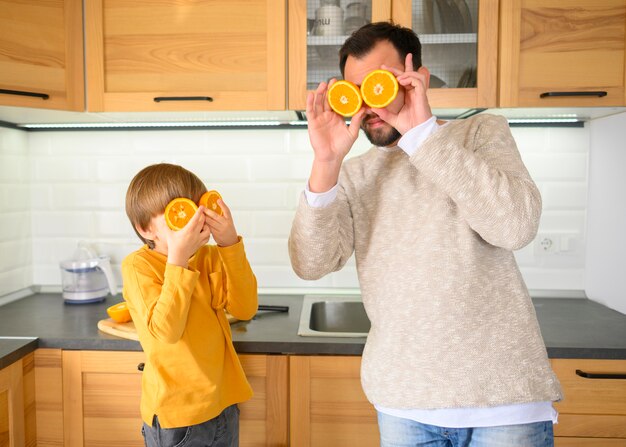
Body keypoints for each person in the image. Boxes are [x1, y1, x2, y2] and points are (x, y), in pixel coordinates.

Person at [288, 22, 562, 446]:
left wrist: (422, 135)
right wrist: (325, 163)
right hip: (403, 404)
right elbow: (311, 263)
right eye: (356, 90)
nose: (370, 105)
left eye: (379, 83)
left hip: (504, 400)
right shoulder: (356, 173)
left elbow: (516, 225)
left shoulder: (480, 133)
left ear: (417, 78)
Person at [122, 163, 257, 447]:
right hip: (177, 418)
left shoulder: (209, 257)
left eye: (198, 210)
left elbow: (245, 309)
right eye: (178, 212)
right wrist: (178, 261)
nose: (194, 219)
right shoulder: (139, 267)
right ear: (146, 229)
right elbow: (167, 332)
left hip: (223, 406)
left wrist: (229, 244)